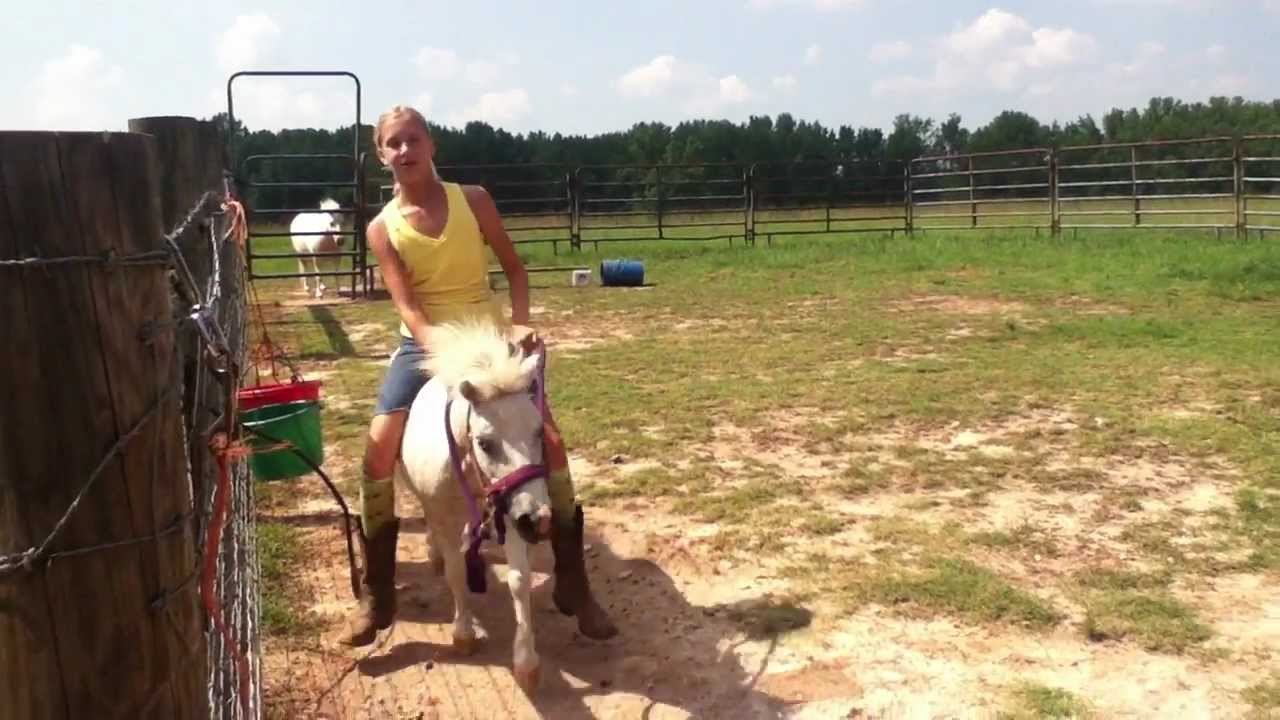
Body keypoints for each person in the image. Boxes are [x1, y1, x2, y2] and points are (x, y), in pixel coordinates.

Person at [338, 105, 617, 646]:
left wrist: (519, 323)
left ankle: (573, 580)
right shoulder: (382, 228)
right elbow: (408, 305)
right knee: (378, 451)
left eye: (413, 139)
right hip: (427, 347)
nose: (405, 150)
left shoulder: (474, 201)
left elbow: (514, 269)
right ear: (381, 155)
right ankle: (378, 592)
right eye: (393, 143)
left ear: (431, 144)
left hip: (490, 344)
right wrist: (441, 350)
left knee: (550, 444)